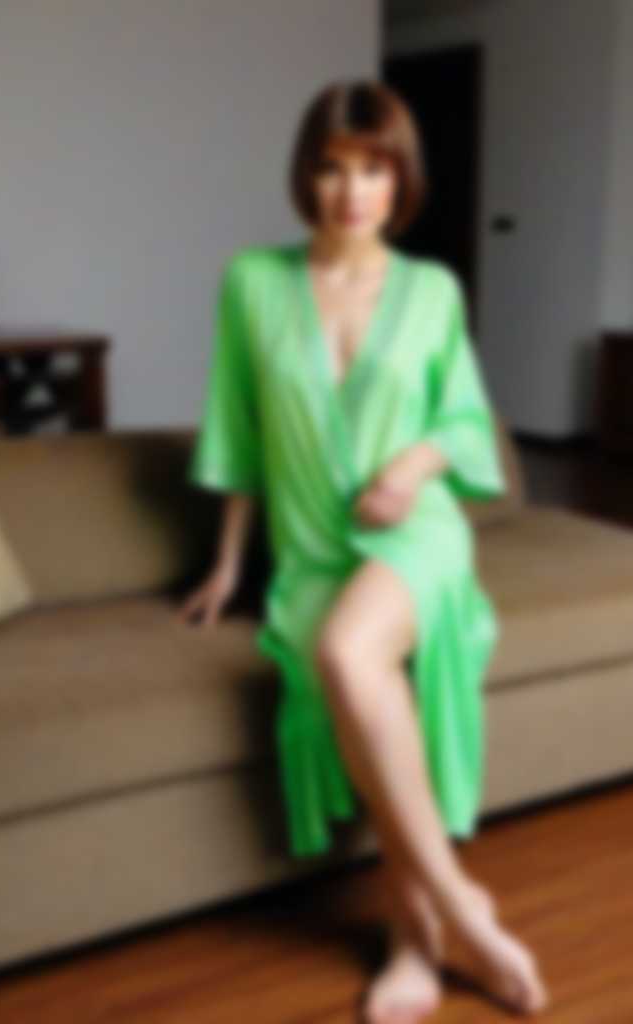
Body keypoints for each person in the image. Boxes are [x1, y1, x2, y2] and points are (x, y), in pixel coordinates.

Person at [180, 80, 549, 1021]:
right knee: (349, 672)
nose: (353, 192)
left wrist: (413, 468)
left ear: (401, 179)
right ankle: (439, 922)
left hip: (413, 535)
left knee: (348, 654)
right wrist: (230, 562)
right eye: (333, 168)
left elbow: (463, 420)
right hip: (312, 550)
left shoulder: (431, 290)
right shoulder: (252, 282)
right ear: (306, 176)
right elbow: (239, 428)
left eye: (374, 170)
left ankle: (435, 927)